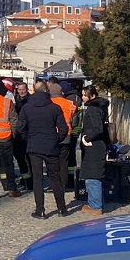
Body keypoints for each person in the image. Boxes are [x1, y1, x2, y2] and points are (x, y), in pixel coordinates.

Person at [17, 80, 69, 218]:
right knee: (55, 178)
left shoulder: (26, 108)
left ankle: (40, 210)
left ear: (33, 91)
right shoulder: (55, 108)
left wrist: (27, 139)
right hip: (51, 146)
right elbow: (64, 129)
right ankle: (62, 209)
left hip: (34, 146)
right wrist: (56, 139)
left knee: (37, 179)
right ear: (47, 91)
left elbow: (20, 128)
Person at [79, 86, 111, 215]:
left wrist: (87, 137)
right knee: (93, 175)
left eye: (84, 95)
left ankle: (95, 206)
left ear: (92, 95)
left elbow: (98, 128)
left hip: (94, 146)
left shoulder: (93, 109)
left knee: (92, 176)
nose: (82, 97)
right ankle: (94, 202)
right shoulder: (101, 106)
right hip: (98, 145)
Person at [49, 82, 79, 190]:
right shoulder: (70, 104)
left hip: (51, 137)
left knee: (52, 163)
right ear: (61, 93)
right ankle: (64, 185)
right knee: (64, 162)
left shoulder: (48, 103)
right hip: (66, 136)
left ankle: (53, 186)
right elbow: (75, 122)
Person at [12, 82, 32, 190]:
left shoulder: (29, 100)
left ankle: (28, 181)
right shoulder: (17, 100)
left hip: (26, 133)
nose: (21, 91)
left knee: (25, 158)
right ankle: (26, 179)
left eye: (23, 89)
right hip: (20, 133)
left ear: (26, 89)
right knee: (21, 158)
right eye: (19, 89)